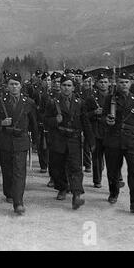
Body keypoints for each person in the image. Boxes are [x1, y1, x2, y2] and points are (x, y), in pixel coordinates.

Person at [44, 74, 95, 210]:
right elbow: (45, 121)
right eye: (64, 85)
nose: (66, 88)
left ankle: (77, 195)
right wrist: (55, 120)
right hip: (58, 139)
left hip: (74, 140)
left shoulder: (80, 103)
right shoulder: (53, 102)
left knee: (76, 168)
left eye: (69, 85)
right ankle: (62, 188)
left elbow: (86, 123)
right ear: (60, 87)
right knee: (57, 168)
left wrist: (91, 142)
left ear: (73, 88)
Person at [0, 72, 39, 214]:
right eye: (11, 84)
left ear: (21, 86)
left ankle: (18, 201)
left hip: (21, 141)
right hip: (5, 141)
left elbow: (34, 123)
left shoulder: (29, 102)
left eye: (16, 84)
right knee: (7, 170)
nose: (14, 87)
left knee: (19, 171)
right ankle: (9, 192)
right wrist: (1, 123)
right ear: (7, 86)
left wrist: (36, 141)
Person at [103, 71, 134, 213]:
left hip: (132, 140)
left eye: (126, 82)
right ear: (117, 84)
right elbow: (104, 117)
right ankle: (114, 192)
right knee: (113, 170)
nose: (124, 85)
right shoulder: (110, 99)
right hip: (113, 139)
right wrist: (106, 121)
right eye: (121, 82)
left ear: (130, 83)